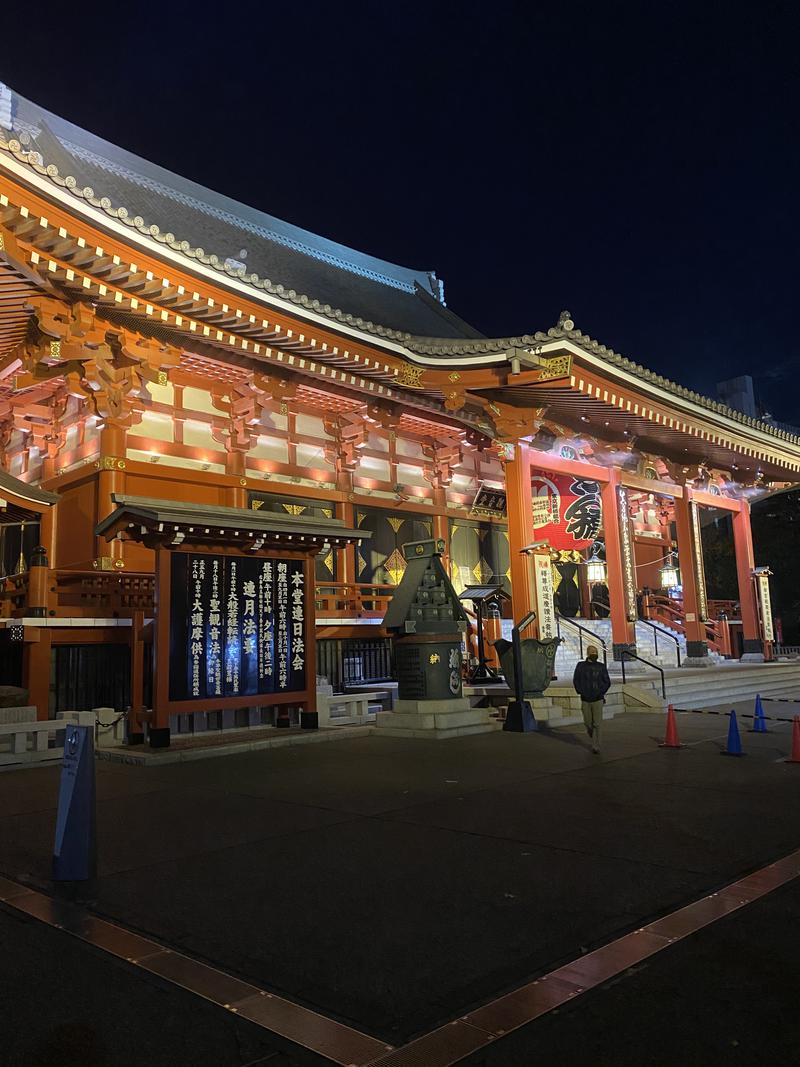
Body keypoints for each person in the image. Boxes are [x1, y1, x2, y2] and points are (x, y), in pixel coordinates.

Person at [572, 645, 611, 754]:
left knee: (597, 723)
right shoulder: (580, 666)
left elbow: (607, 682)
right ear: (588, 653)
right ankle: (592, 733)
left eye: (595, 652)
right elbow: (576, 680)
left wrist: (600, 692)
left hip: (598, 698)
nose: (594, 653)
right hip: (585, 698)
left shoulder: (601, 667)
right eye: (592, 652)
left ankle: (596, 745)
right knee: (588, 722)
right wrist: (580, 691)